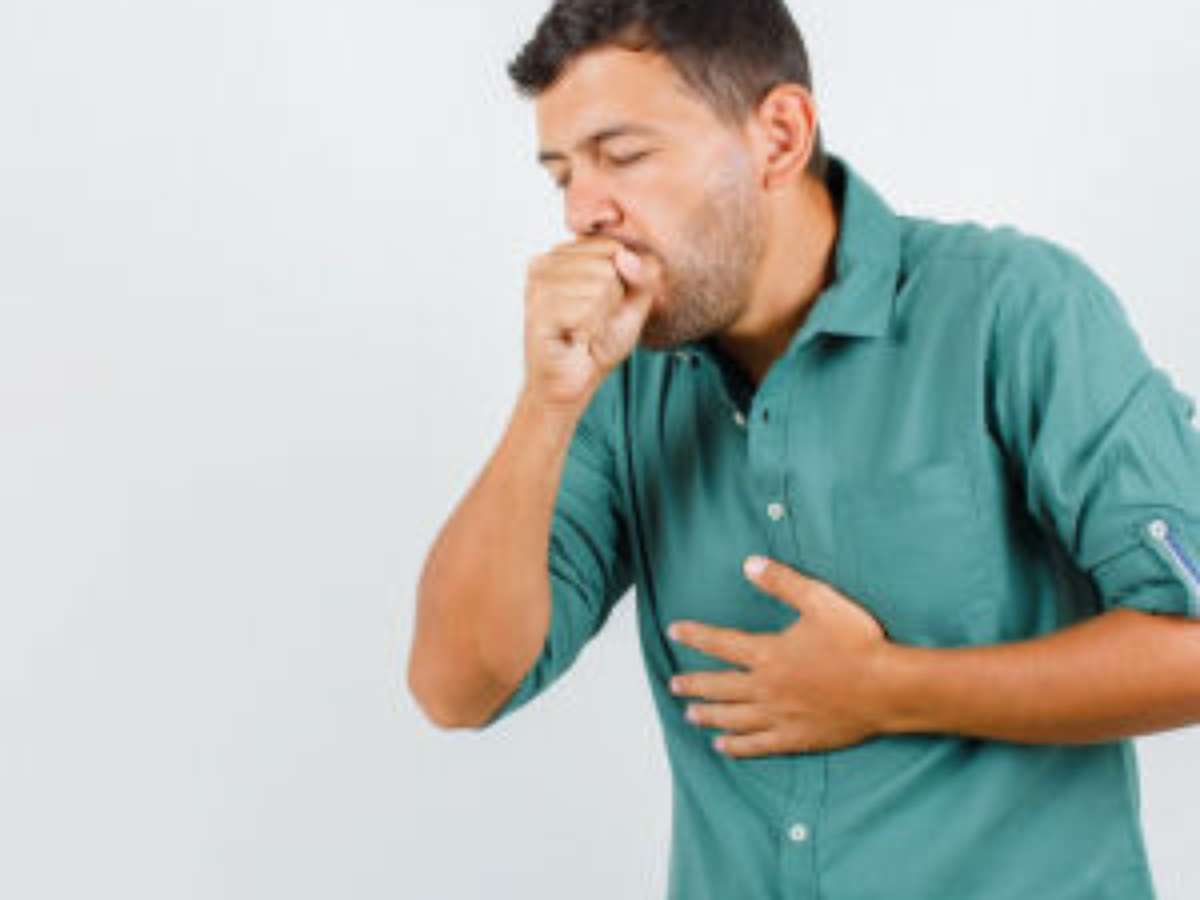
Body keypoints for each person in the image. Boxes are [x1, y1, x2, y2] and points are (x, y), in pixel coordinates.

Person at [408, 1, 1200, 897]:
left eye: (622, 156)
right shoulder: (619, 378)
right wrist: (547, 403)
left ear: (779, 137)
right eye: (562, 174)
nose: (585, 211)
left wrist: (891, 688)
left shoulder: (1013, 311)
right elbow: (457, 687)